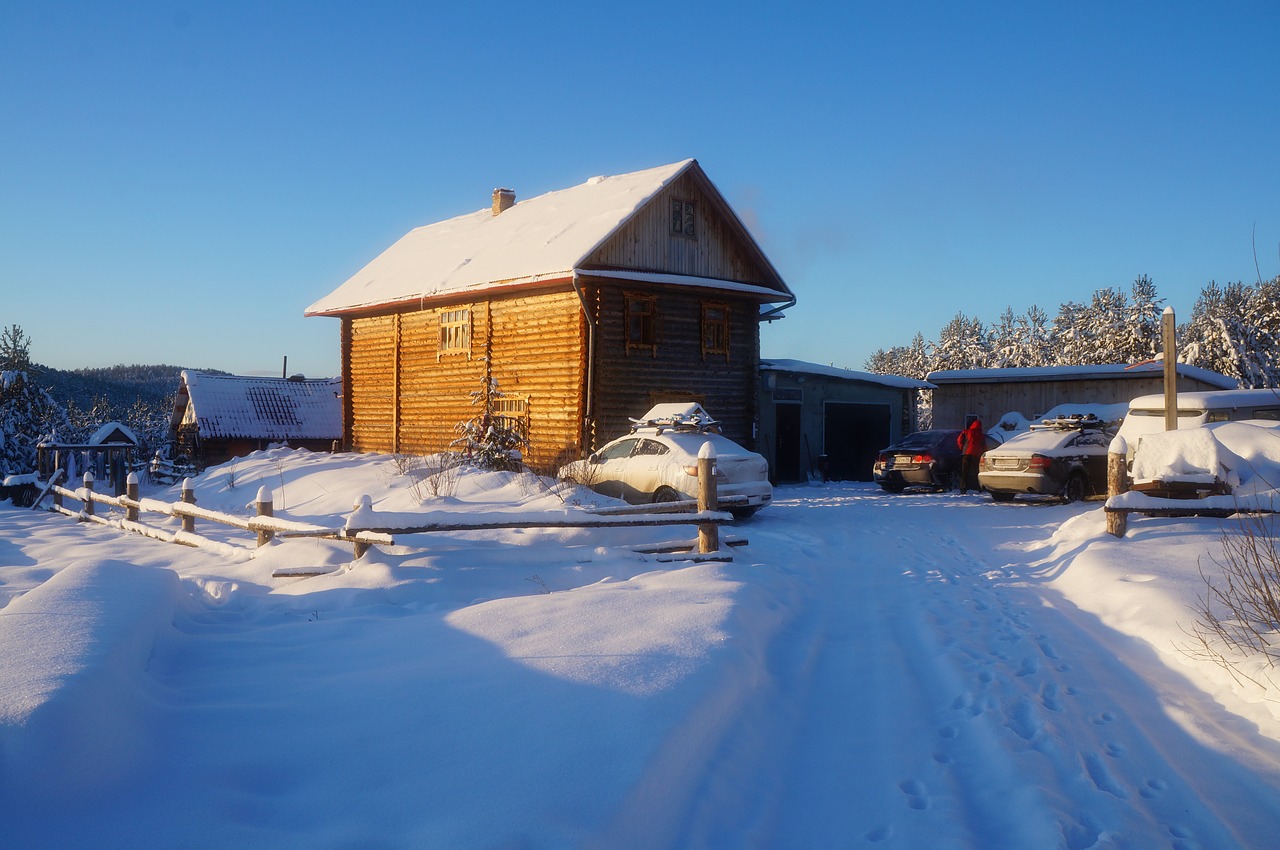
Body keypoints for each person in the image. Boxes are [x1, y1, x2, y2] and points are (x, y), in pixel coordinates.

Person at [957, 417, 985, 494]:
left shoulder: (966, 432)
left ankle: (963, 488)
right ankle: (979, 487)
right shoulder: (981, 435)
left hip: (966, 454)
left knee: (964, 472)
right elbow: (984, 446)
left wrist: (962, 448)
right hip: (977, 455)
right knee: (977, 472)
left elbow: (959, 440)